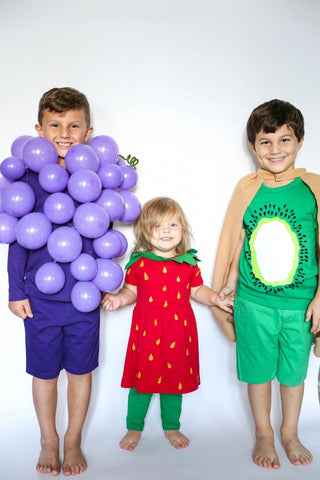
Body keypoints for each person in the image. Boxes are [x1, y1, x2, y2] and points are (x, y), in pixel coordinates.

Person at [211, 99, 320, 469]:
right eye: (266, 142)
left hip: (300, 304)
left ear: (300, 140)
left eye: (285, 140)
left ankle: (290, 431)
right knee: (258, 372)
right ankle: (263, 432)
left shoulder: (314, 188)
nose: (276, 150)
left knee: (293, 374)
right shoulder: (248, 188)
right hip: (253, 302)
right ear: (253, 146)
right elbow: (237, 239)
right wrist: (228, 283)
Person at [8, 87, 98, 476]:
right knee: (44, 374)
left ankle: (73, 439)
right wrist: (14, 290)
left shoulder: (94, 177)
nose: (64, 132)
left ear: (88, 132)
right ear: (38, 131)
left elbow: (100, 235)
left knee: (81, 372)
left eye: (73, 125)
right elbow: (17, 238)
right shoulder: (28, 180)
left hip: (83, 299)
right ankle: (49, 439)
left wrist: (104, 285)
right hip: (39, 300)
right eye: (55, 125)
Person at [102, 196, 234, 451]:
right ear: (145, 232)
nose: (166, 231)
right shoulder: (139, 263)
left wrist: (216, 298)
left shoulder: (188, 263)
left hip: (178, 331)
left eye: (173, 225)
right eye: (158, 226)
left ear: (182, 230)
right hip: (147, 331)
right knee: (142, 382)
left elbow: (198, 291)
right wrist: (119, 300)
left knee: (174, 381)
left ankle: (171, 426)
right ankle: (134, 427)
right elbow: (131, 292)